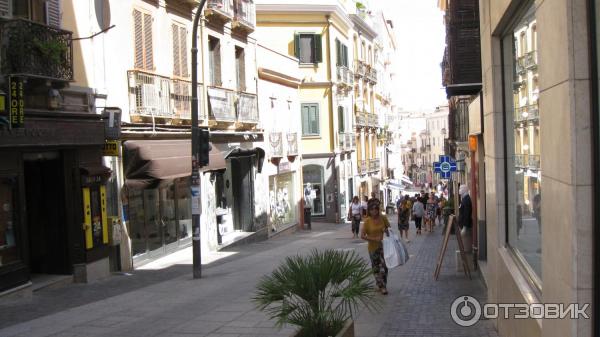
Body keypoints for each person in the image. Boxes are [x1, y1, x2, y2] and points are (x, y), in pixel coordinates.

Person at [360, 199, 391, 295]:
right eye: (372, 210)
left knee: (384, 267)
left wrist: (385, 231)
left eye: (375, 209)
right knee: (376, 268)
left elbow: (389, 229)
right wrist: (374, 239)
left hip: (384, 246)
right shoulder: (367, 221)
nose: (374, 211)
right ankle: (381, 286)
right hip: (372, 248)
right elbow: (362, 235)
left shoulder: (383, 218)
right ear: (369, 211)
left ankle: (383, 285)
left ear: (378, 210)